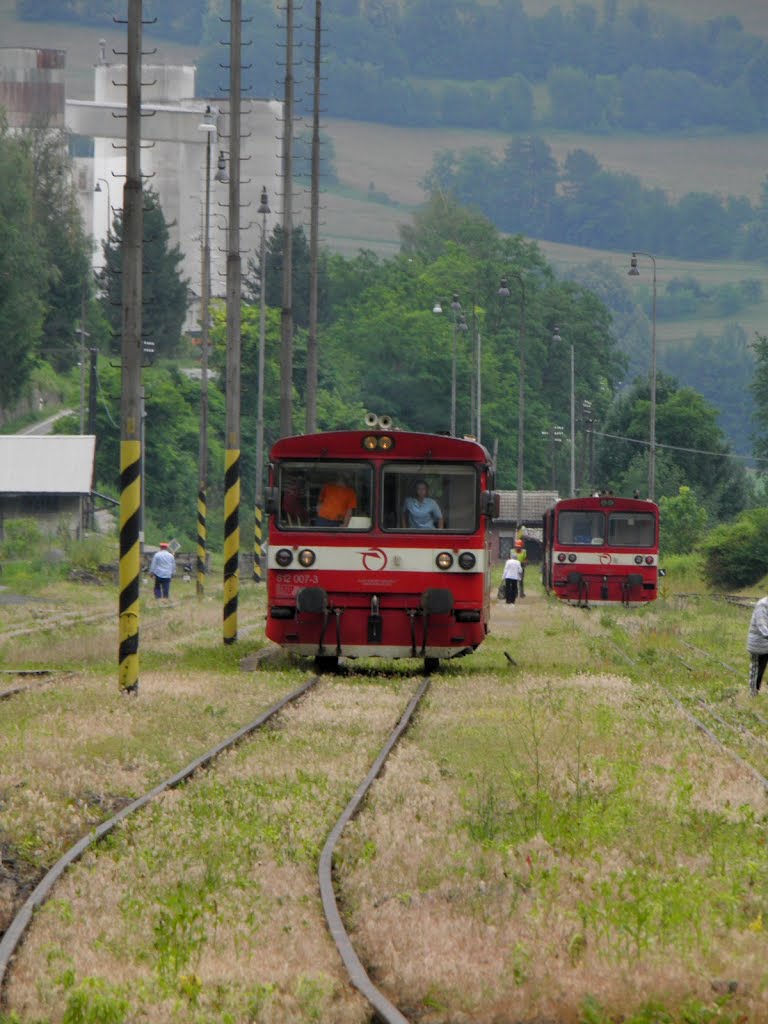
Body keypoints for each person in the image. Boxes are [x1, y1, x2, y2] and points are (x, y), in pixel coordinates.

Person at [747, 595, 768, 695]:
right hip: (758, 644)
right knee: (757, 671)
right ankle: (753, 694)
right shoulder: (762, 604)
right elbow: (761, 626)